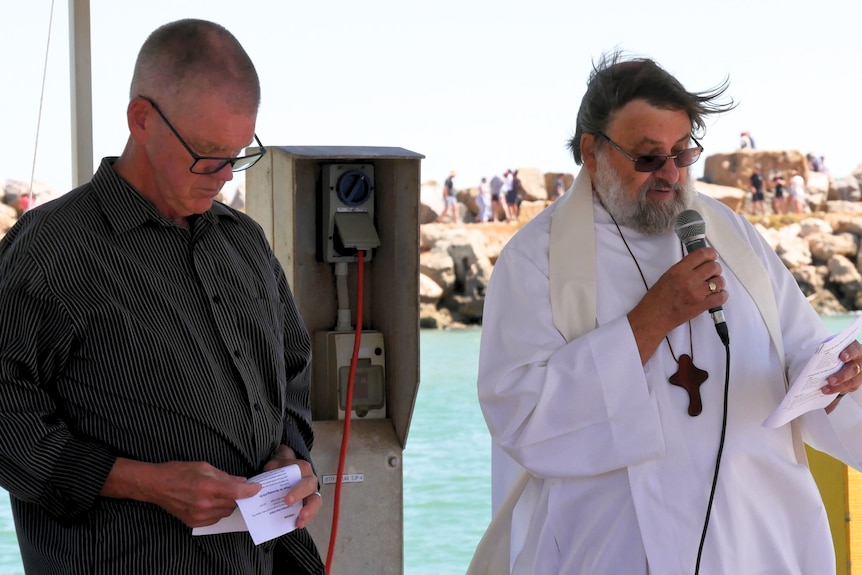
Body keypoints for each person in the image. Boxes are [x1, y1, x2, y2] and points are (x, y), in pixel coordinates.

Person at [473, 51, 862, 575]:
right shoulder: (535, 260)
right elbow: (520, 415)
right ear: (591, 151)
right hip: (615, 547)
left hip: (758, 537)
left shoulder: (732, 234)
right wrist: (649, 321)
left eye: (683, 153)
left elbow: (797, 351)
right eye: (648, 157)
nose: (672, 173)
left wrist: (835, 377)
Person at [0, 19, 325, 574]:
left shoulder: (243, 242)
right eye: (206, 153)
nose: (224, 175)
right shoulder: (51, 251)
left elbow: (292, 376)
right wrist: (149, 485)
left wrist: (293, 463)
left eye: (239, 154)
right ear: (141, 120)